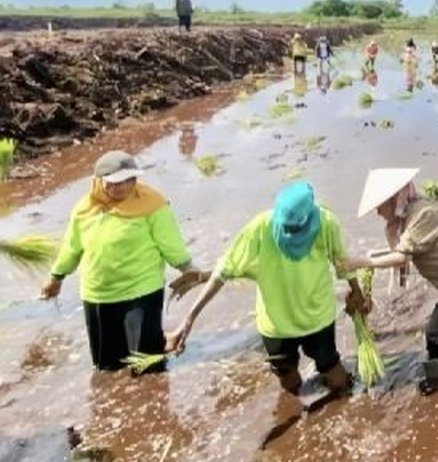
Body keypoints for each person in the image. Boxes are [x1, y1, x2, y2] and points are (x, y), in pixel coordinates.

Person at [167, 182, 370, 395]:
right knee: (290, 375)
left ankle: (319, 410)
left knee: (329, 368)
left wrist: (357, 291)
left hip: (313, 319)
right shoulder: (261, 227)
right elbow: (223, 272)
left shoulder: (325, 224)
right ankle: (318, 409)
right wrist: (189, 317)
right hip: (280, 323)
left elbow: (342, 263)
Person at [39, 150, 208, 373]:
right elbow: (72, 248)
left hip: (142, 291)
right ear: (98, 181)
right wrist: (56, 277)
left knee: (147, 366)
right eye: (115, 182)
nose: (123, 187)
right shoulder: (84, 209)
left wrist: (187, 268)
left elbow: (170, 243)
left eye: (129, 180)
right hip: (98, 294)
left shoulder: (152, 204)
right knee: (106, 367)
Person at [342, 168, 438, 395]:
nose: (377, 212)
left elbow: (403, 256)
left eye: (379, 206)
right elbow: (402, 256)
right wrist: (368, 276)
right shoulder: (401, 220)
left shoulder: (421, 213)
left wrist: (362, 263)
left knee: (436, 331)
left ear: (393, 199)